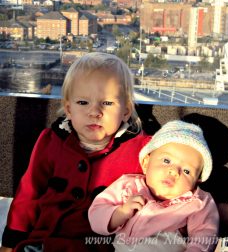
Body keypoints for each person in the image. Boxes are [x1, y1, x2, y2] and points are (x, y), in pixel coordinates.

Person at [0, 52, 151, 252]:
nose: (94, 112)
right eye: (82, 103)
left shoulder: (142, 150)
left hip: (102, 244)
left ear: (126, 110)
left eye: (107, 103)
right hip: (46, 238)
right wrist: (12, 239)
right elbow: (29, 193)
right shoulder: (51, 141)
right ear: (68, 109)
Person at [88, 120, 220, 252]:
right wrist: (121, 212)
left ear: (197, 180)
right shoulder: (129, 185)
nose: (174, 172)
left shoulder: (197, 202)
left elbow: (205, 234)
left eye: (187, 171)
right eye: (167, 161)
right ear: (146, 163)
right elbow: (96, 215)